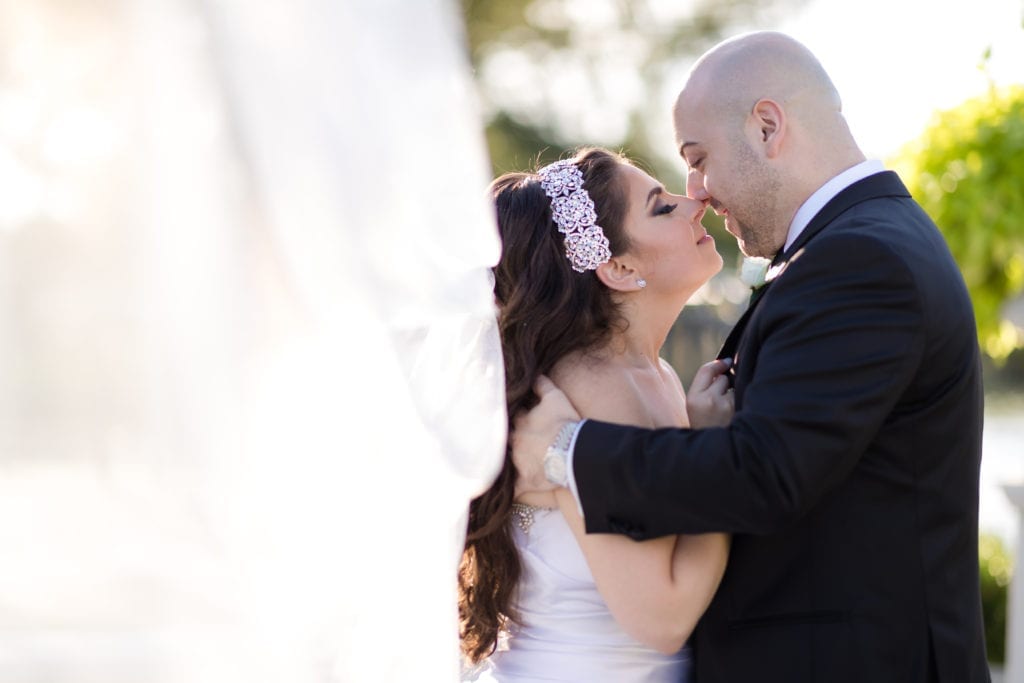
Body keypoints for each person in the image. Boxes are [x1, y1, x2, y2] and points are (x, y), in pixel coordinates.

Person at [511, 32, 990, 683]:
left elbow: (765, 472)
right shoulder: (855, 245)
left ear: (767, 126)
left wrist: (565, 451)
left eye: (698, 157)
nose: (698, 192)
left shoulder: (858, 259)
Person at [459, 147, 733, 682]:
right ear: (620, 267)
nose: (693, 201)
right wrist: (717, 453)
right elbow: (664, 615)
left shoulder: (653, 378)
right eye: (662, 207)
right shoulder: (599, 390)